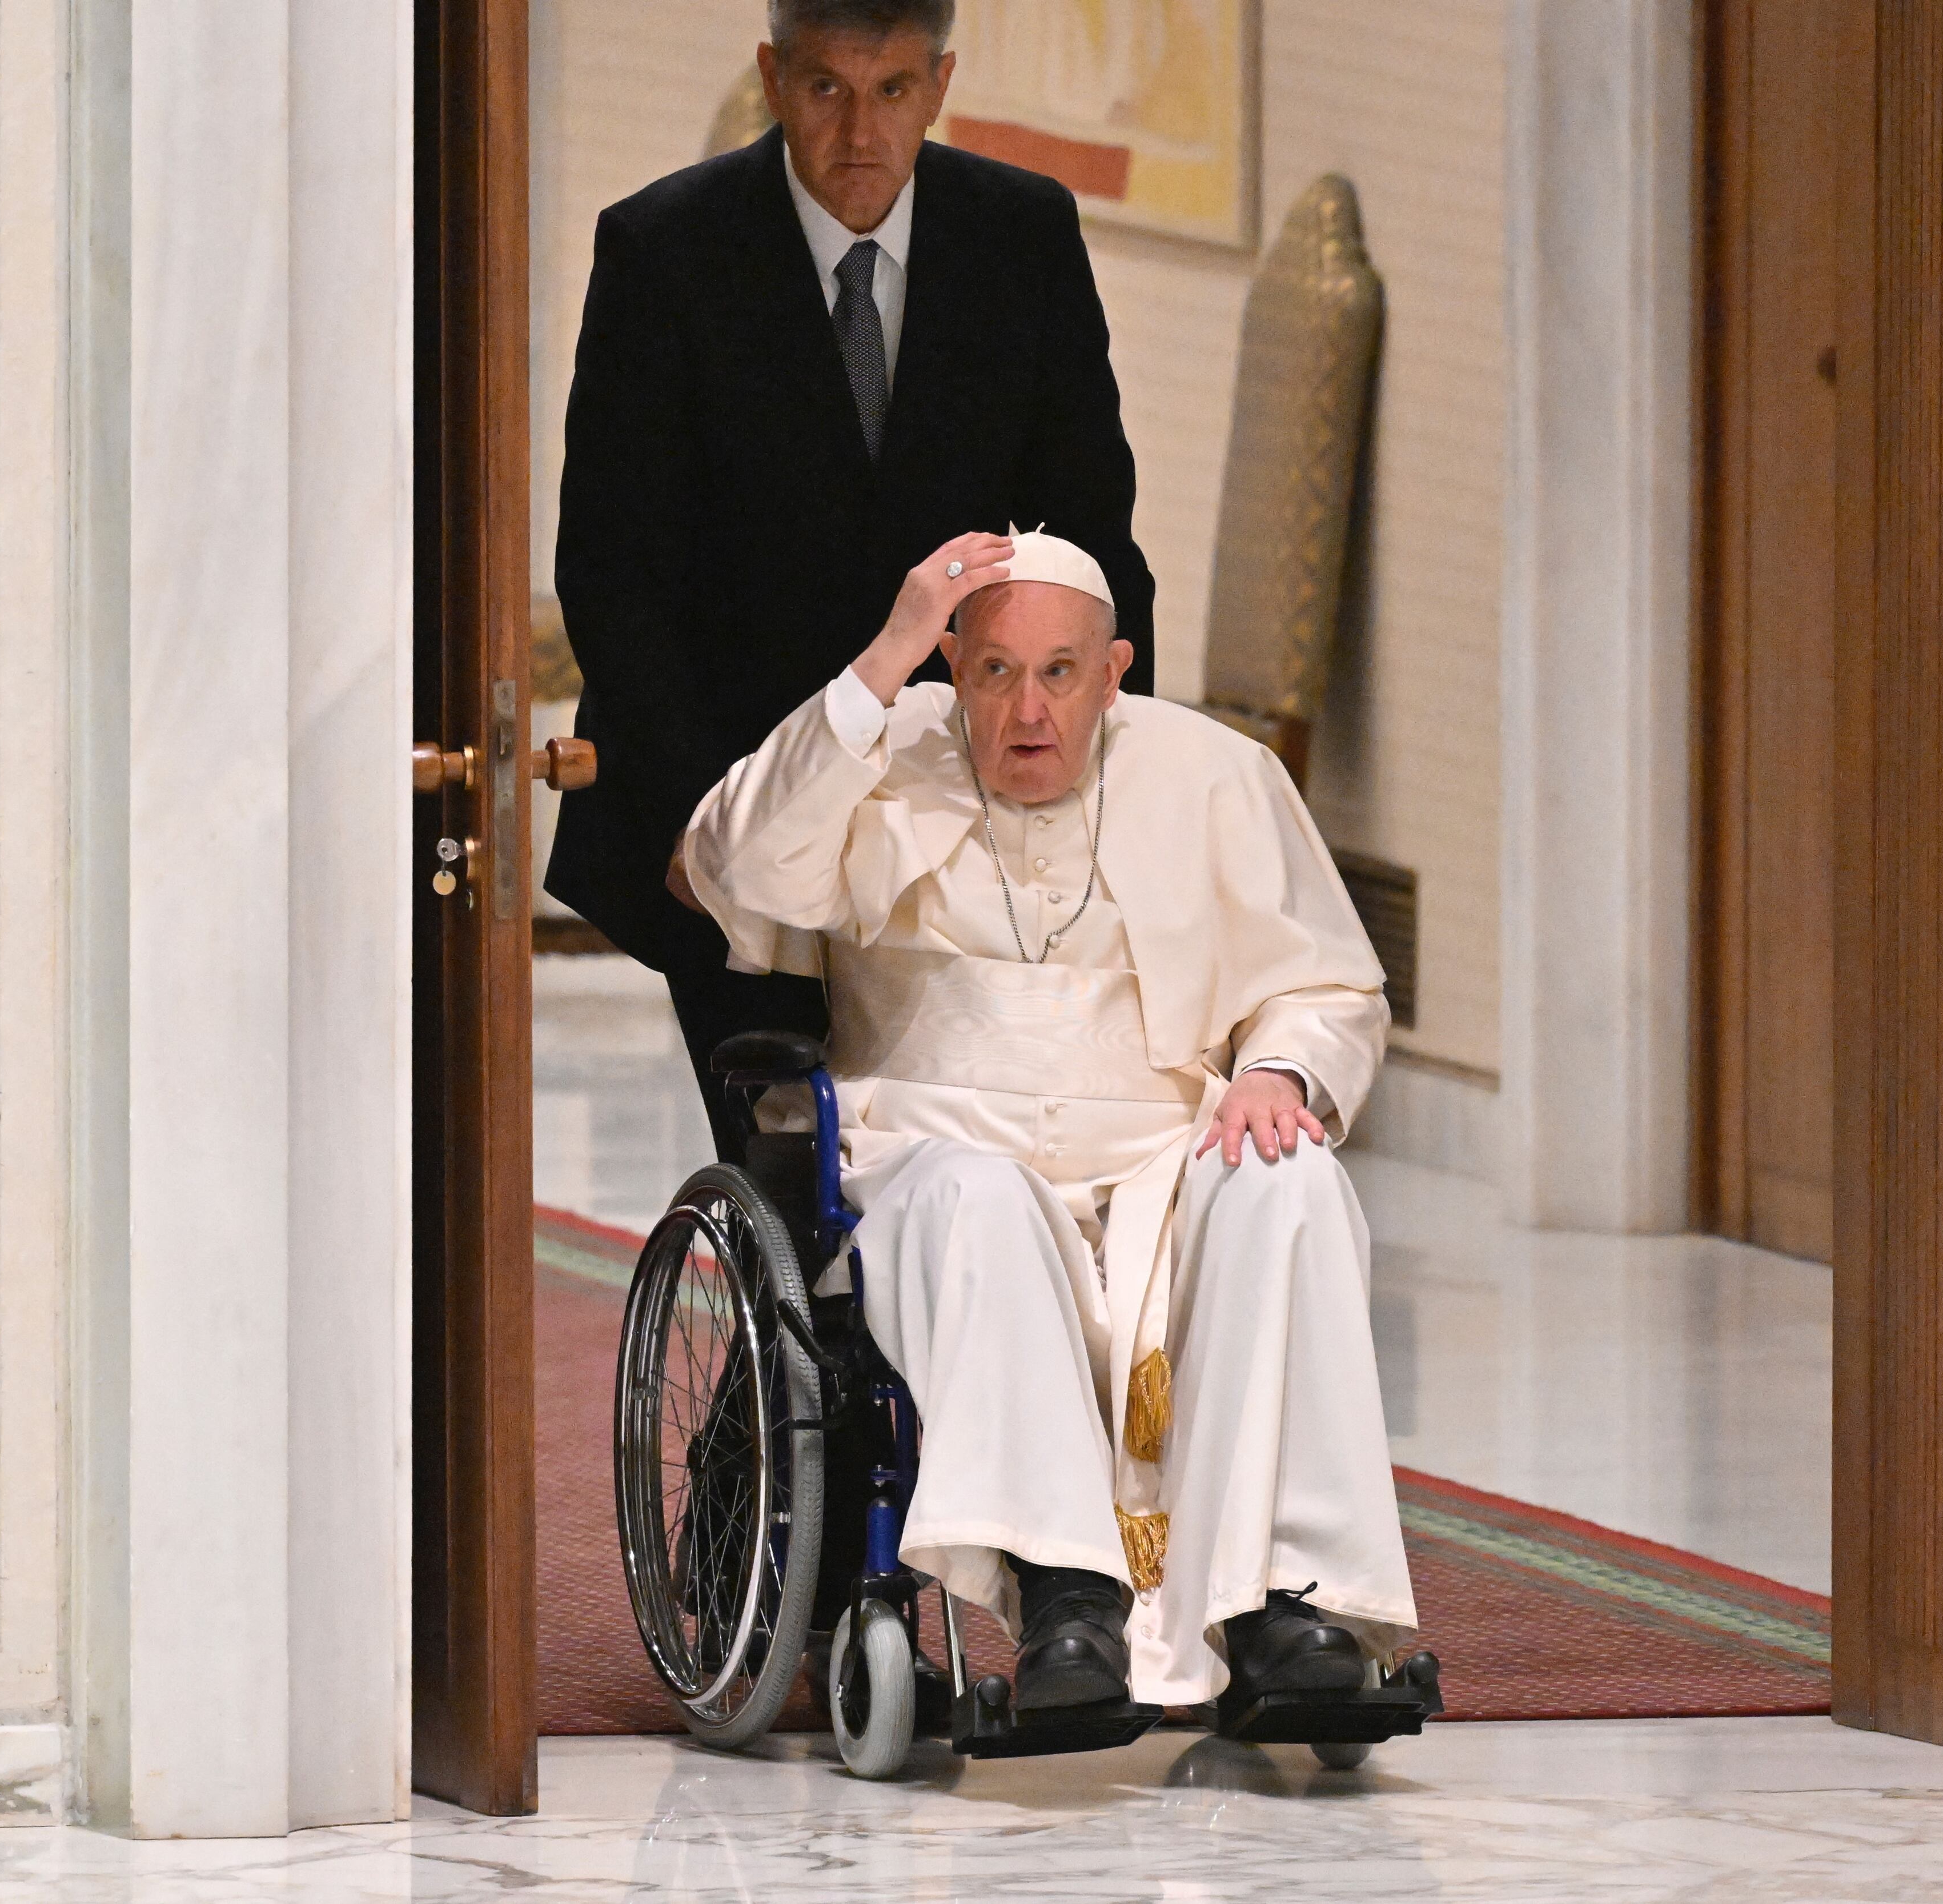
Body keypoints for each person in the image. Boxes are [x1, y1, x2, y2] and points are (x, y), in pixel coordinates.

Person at [683, 528, 1412, 1722]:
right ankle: (1068, 1595)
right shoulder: (881, 755)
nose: (1028, 711)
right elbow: (738, 863)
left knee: (1289, 1179)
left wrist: (1278, 1072)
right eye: (992, 673)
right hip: (935, 1143)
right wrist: (886, 659)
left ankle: (1287, 1598)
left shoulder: (1214, 777)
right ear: (951, 670)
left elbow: (1328, 985)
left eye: (1061, 673)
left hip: (1163, 1155)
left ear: (1115, 670)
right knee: (982, 1198)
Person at [547, 0, 1157, 1151]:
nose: (859, 134)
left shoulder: (1021, 237)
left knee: (964, 1164)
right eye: (827, 89)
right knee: (791, 1164)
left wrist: (1102, 777)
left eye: (890, 92)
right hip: (734, 802)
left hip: (960, 807)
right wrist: (701, 829)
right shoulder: (664, 253)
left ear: (939, 85)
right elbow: (615, 572)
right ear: (775, 79)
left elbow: (1095, 541)